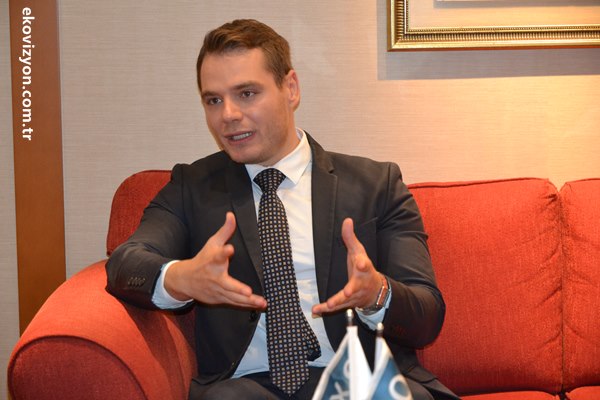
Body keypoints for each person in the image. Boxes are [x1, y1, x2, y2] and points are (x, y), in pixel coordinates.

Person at [106, 19, 457, 400]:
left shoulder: (376, 184)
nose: (228, 115)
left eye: (246, 93)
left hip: (360, 382)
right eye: (213, 100)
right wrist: (181, 278)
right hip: (248, 388)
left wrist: (377, 293)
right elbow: (125, 263)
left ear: (290, 88)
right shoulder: (192, 187)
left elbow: (426, 315)